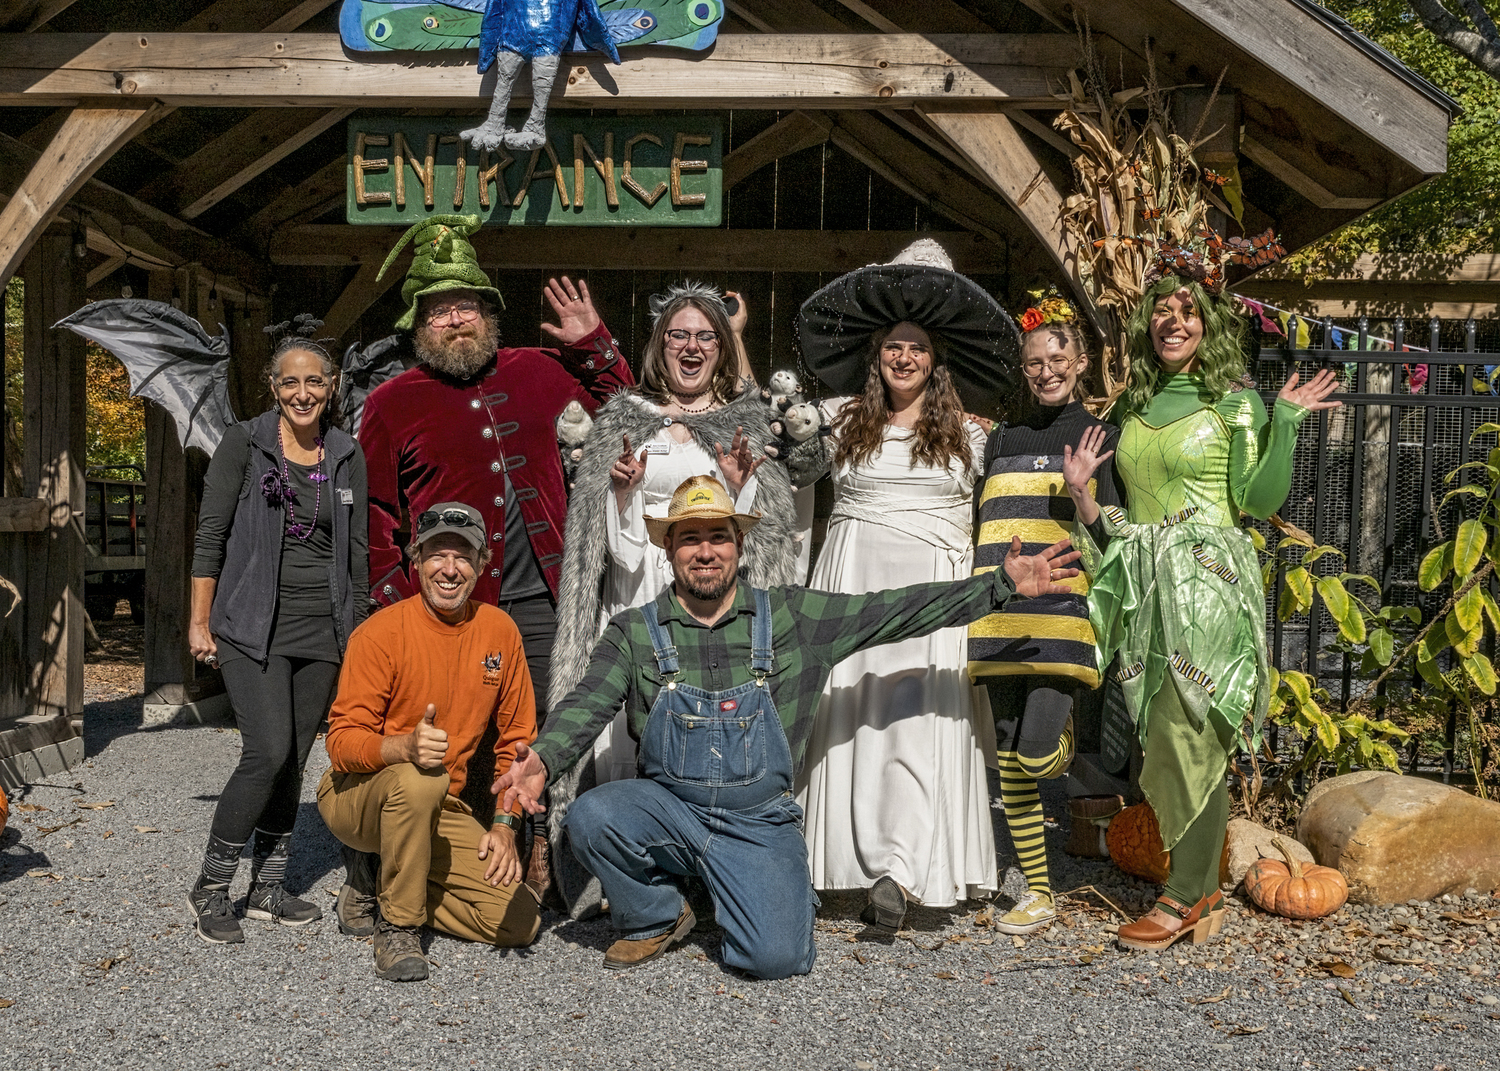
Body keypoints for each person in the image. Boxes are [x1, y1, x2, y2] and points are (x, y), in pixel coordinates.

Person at [495, 475, 1082, 978]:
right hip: (668, 807)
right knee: (594, 816)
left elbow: (895, 609)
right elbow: (587, 704)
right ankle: (657, 911)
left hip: (758, 821)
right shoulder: (635, 631)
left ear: (739, 544)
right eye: (690, 539)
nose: (705, 552)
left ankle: (731, 886)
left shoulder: (793, 617)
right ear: (668, 549)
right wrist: (543, 759)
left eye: (718, 537)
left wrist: (1000, 585)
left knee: (774, 960)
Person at [1066, 257, 1340, 950]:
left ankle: (1186, 893)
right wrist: (1087, 504)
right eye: (1162, 309)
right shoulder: (1131, 406)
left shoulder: (1235, 403)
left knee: (1194, 728)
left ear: (1208, 324)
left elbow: (1256, 501)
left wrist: (1284, 423)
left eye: (1187, 311)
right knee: (1158, 736)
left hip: (1210, 584)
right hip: (1146, 586)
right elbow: (1126, 515)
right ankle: (1204, 884)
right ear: (1147, 323)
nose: (1173, 320)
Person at [359, 214, 632, 897]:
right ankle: (435, 866)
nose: (456, 320)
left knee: (538, 731)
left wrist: (594, 344)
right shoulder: (392, 404)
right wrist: (399, 607)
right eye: (441, 309)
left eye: (466, 306)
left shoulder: (539, 371)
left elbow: (628, 409)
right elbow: (376, 517)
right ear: (419, 324)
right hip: (451, 601)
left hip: (543, 594)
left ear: (488, 312)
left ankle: (541, 856)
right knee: (453, 741)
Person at [547, 282, 816, 914]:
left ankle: (710, 873)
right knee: (625, 738)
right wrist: (621, 494)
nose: (690, 346)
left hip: (710, 600)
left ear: (722, 348)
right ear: (660, 346)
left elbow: (758, 537)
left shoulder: (747, 420)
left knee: (706, 736)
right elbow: (606, 545)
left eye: (704, 336)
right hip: (640, 586)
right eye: (678, 335)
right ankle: (636, 883)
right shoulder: (622, 416)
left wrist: (741, 484)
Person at [791, 240, 1020, 929]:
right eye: (894, 344)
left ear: (935, 358)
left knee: (919, 721)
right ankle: (835, 866)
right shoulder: (836, 419)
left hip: (931, 586)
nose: (904, 357)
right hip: (853, 575)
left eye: (917, 347)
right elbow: (787, 472)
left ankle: (906, 869)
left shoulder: (973, 436)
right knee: (851, 717)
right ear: (877, 352)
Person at [186, 319, 368, 945]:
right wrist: (199, 619)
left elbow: (358, 556)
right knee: (264, 751)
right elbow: (209, 537)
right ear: (272, 387)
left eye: (313, 381)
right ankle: (211, 887)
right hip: (250, 626)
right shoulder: (243, 444)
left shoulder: (345, 453)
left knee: (293, 756)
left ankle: (268, 886)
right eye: (289, 382)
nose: (302, 392)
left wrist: (360, 634)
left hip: (323, 630)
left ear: (332, 386)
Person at [317, 502, 541, 982]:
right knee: (420, 779)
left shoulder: (500, 631)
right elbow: (340, 743)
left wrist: (504, 825)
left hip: (441, 807)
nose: (450, 568)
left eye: (464, 556)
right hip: (356, 795)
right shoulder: (379, 633)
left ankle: (382, 880)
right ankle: (398, 926)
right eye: (438, 554)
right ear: (415, 560)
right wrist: (401, 747)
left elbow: (517, 743)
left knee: (520, 921)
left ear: (482, 566)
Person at [967, 297, 1126, 935]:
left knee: (1035, 756)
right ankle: (1040, 892)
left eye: (1058, 358)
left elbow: (1117, 538)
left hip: (1061, 618)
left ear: (1081, 362)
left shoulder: (1099, 438)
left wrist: (1085, 491)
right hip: (1000, 614)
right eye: (1035, 362)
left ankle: (1056, 748)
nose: (1046, 370)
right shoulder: (1002, 438)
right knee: (1008, 759)